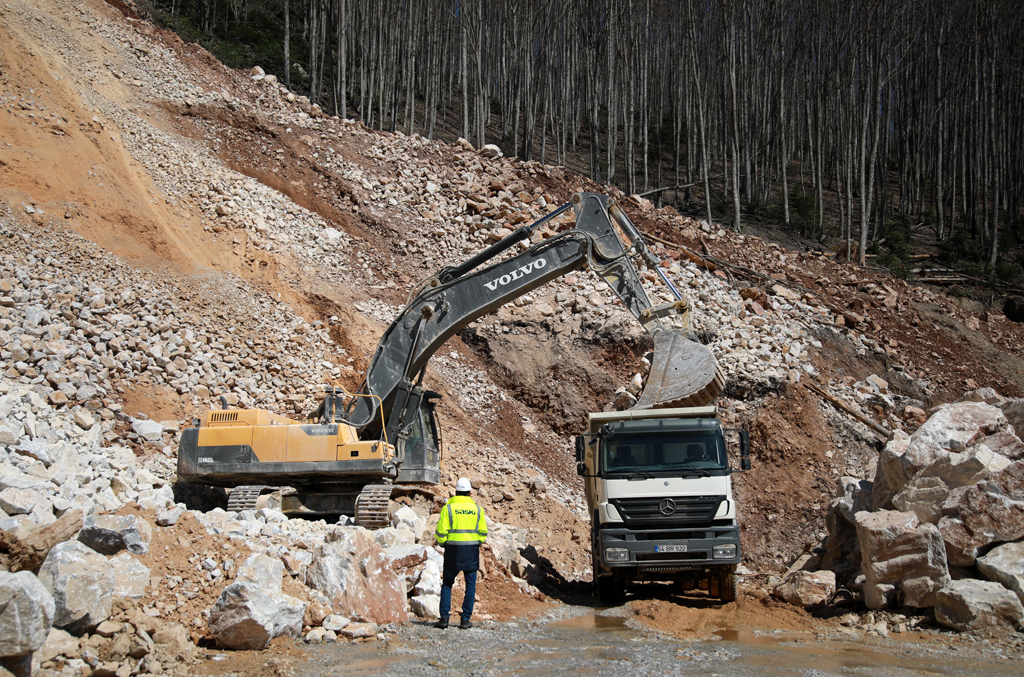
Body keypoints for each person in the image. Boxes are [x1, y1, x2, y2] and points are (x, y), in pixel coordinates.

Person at [434, 477, 488, 629]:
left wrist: (443, 542)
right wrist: (476, 542)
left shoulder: (448, 509)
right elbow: (483, 532)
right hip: (471, 551)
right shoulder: (477, 509)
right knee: (470, 586)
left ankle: (444, 619)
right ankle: (465, 620)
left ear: (456, 492)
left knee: (447, 584)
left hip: (453, 551)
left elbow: (440, 531)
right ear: (470, 492)